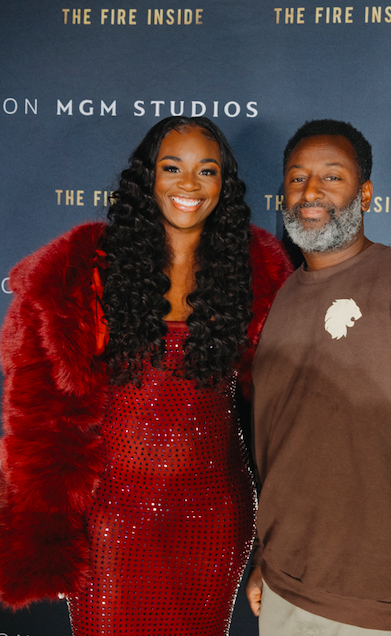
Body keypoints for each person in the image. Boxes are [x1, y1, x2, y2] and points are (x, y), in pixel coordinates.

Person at [0, 116, 291, 636]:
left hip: (215, 516)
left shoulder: (257, 268)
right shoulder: (84, 263)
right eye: (172, 167)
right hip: (112, 517)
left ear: (225, 184)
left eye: (207, 170)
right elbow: (37, 412)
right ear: (147, 177)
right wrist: (45, 527)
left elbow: (282, 414)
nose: (189, 184)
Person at [246, 119, 391, 636]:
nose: (310, 191)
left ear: (365, 193)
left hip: (378, 611)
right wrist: (269, 559)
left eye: (332, 177)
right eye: (297, 178)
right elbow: (286, 452)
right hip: (281, 594)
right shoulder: (282, 297)